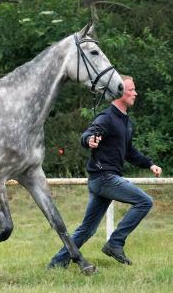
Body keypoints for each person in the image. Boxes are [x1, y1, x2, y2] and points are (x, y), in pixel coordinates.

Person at [48, 75, 162, 268]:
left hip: (104, 179)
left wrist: (149, 164)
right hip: (104, 177)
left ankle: (57, 264)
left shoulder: (126, 122)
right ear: (119, 92)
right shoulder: (106, 117)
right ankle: (115, 243)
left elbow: (130, 152)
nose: (135, 93)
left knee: (87, 229)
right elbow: (87, 135)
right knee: (144, 202)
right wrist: (89, 140)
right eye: (131, 89)